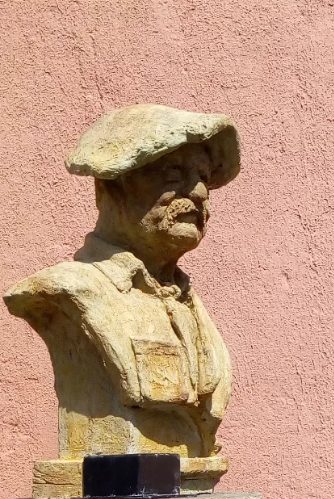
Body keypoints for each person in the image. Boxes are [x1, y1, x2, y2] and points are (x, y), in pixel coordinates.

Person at [4, 104, 239, 462]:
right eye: (173, 174)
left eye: (204, 177)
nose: (200, 193)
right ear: (110, 187)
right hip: (114, 487)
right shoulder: (69, 290)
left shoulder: (188, 301)